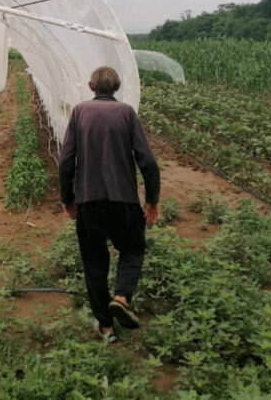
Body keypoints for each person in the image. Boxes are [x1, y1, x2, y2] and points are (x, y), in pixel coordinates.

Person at [58, 66, 161, 340]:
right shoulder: (126, 113)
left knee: (94, 262)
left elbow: (66, 161)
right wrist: (152, 200)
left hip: (89, 203)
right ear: (116, 87)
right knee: (132, 249)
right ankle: (122, 297)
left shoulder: (80, 112)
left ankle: (105, 326)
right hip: (124, 201)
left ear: (91, 86)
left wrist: (67, 199)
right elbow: (148, 162)